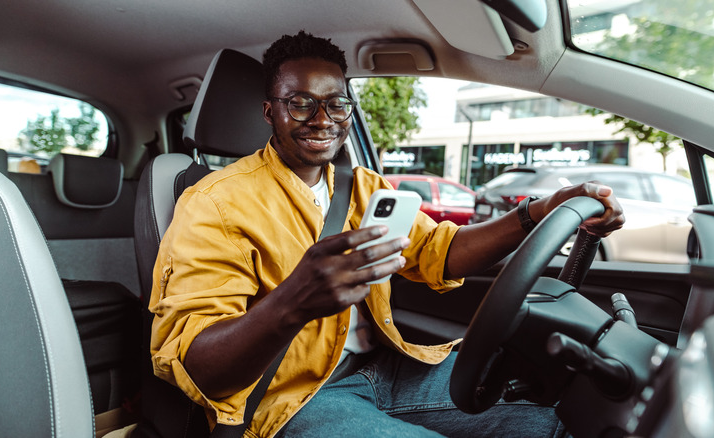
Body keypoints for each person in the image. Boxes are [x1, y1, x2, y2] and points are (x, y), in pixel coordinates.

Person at [148, 30, 625, 438]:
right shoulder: (216, 202)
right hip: (292, 398)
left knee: (552, 414)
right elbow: (195, 362)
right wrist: (293, 301)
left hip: (389, 367)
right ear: (269, 111)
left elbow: (443, 252)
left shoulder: (365, 188)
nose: (322, 119)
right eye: (300, 103)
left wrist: (537, 211)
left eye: (336, 103)